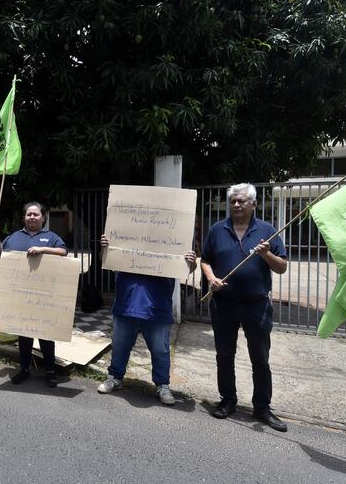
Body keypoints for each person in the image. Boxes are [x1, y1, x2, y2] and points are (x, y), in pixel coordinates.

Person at [200, 183, 288, 432]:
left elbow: (281, 267)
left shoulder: (267, 231)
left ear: (254, 204)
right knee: (224, 355)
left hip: (256, 305)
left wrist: (266, 255)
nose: (236, 205)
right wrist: (211, 278)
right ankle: (228, 400)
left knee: (260, 358)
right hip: (223, 304)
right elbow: (205, 259)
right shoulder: (218, 230)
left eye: (242, 201)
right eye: (233, 201)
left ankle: (262, 408)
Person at [96, 235, 197, 406]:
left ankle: (162, 385)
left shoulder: (172, 235)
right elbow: (106, 261)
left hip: (157, 307)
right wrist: (105, 248)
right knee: (120, 346)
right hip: (126, 304)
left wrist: (191, 262)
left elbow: (187, 269)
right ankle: (115, 378)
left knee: (160, 350)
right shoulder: (126, 235)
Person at [0, 202, 67, 387]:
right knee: (24, 335)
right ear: (24, 217)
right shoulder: (15, 237)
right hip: (21, 295)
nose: (32, 217)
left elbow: (63, 252)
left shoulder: (50, 237)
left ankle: (50, 372)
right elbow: (0, 255)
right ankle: (24, 369)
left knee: (46, 334)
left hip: (45, 296)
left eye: (36, 214)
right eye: (29, 215)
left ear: (43, 217)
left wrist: (42, 250)